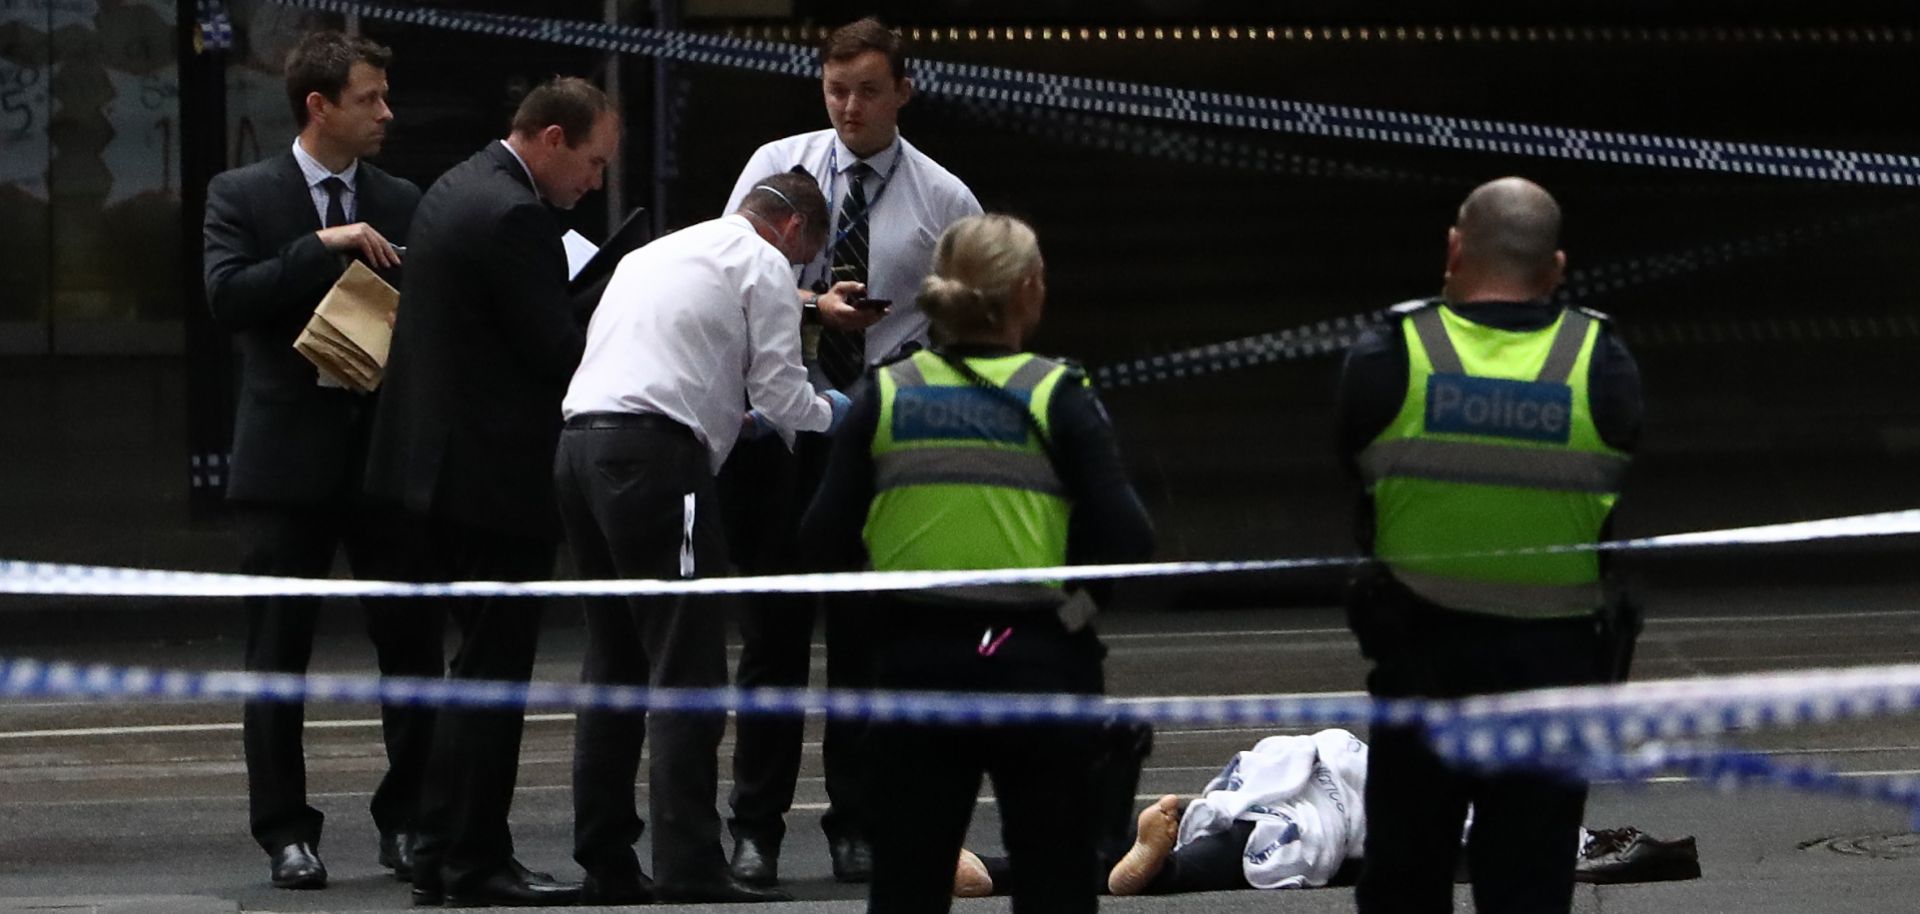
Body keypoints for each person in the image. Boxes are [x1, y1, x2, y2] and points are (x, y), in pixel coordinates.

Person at [801, 214, 1154, 914]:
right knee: (1055, 877)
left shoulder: (887, 395)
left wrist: (884, 606)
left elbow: (820, 537)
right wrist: (1076, 609)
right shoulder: (1059, 396)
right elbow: (1129, 538)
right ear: (1027, 291)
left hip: (917, 661)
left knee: (908, 881)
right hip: (1039, 660)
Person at [718, 16, 983, 887]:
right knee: (772, 638)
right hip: (782, 431)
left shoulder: (944, 198)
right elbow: (725, 275)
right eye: (836, 89)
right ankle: (753, 825)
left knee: (867, 643)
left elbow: (972, 323)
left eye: (869, 90)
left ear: (903, 90)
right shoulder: (775, 165)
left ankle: (857, 825)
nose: (849, 107)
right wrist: (809, 304)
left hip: (880, 436)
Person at [1338, 177, 1643, 914]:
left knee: (1404, 886)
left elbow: (1359, 485)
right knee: (1529, 892)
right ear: (1557, 267)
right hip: (1550, 674)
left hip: (1422, 666)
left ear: (1453, 249)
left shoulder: (1389, 357)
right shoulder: (1600, 364)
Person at [558, 171, 850, 906]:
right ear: (792, 230)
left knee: (614, 656)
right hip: (659, 464)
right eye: (807, 255)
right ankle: (689, 860)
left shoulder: (657, 253)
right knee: (687, 663)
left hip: (579, 449)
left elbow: (676, 365)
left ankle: (605, 856)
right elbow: (784, 392)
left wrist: (733, 417)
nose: (802, 271)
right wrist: (837, 413)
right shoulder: (765, 265)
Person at [363, 75, 620, 908]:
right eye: (591, 160)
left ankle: (444, 850)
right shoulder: (515, 217)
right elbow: (556, 351)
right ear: (550, 138)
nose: (595, 180)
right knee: (492, 680)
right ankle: (473, 861)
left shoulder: (459, 184)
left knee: (471, 673)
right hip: (489, 481)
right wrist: (610, 296)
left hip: (433, 472)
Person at [201, 30, 442, 891]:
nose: (386, 112)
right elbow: (228, 297)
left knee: (412, 645)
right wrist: (327, 245)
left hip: (382, 455)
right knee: (277, 654)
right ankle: (286, 832)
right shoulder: (243, 192)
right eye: (370, 98)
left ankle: (408, 820)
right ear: (320, 106)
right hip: (284, 462)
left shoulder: (405, 196)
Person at [954, 728, 1699, 898]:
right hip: (1308, 803)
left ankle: (1001, 871)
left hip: (1300, 811)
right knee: (1168, 846)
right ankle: (996, 872)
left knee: (1168, 845)